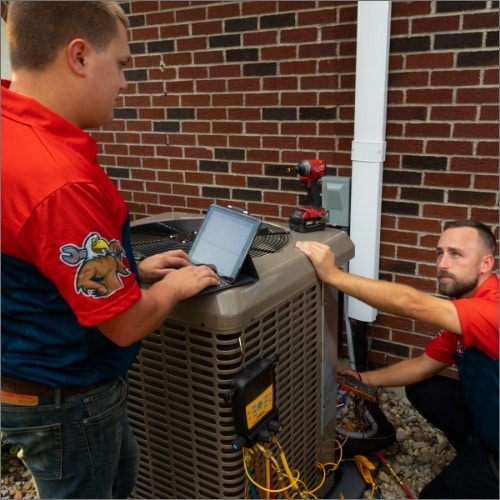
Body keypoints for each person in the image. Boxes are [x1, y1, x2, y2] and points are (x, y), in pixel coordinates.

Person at [1, 2, 220, 499]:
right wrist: (176, 287)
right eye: (121, 64)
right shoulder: (57, 178)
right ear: (78, 56)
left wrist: (133, 270)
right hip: (65, 395)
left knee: (121, 469)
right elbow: (123, 326)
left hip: (30, 367)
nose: (125, 82)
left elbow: (37, 254)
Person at [296, 220, 499, 499]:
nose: (442, 263)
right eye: (439, 253)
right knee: (424, 389)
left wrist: (333, 275)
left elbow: (410, 303)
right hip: (489, 418)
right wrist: (365, 379)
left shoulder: (491, 311)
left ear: (486, 263)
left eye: (456, 254)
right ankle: (472, 447)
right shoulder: (466, 313)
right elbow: (423, 365)